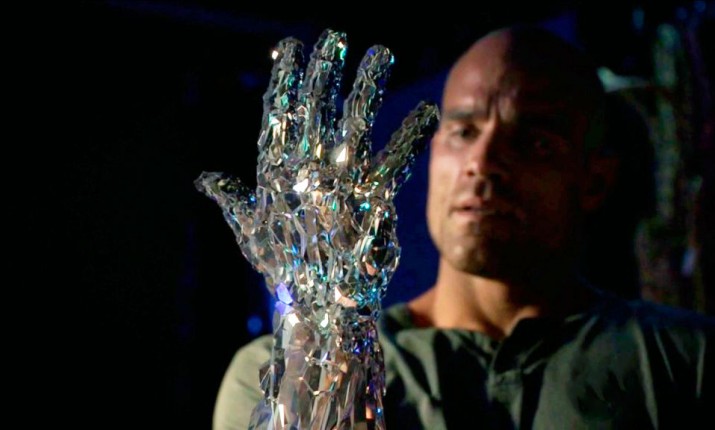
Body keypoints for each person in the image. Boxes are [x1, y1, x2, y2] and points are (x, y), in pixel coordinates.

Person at [213, 27, 713, 429]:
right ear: (433, 156)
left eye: (534, 141)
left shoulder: (684, 363)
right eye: (464, 131)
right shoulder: (280, 370)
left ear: (594, 180)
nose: (483, 161)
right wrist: (326, 355)